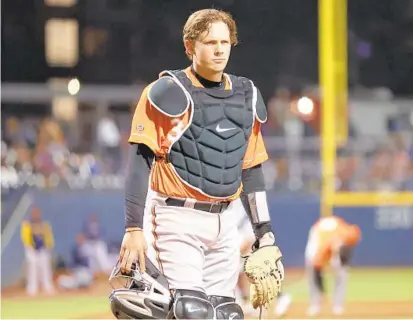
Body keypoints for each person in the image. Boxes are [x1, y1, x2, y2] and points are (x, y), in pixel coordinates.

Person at [114, 8, 284, 319]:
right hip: (175, 216)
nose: (219, 49)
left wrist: (265, 233)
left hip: (225, 219)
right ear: (190, 46)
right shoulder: (165, 92)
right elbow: (139, 162)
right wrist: (133, 227)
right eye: (210, 42)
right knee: (192, 311)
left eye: (225, 42)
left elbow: (251, 169)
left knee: (228, 313)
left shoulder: (247, 95)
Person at [305, 216, 361, 316]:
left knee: (342, 273)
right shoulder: (319, 243)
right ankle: (315, 303)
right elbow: (315, 262)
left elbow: (344, 249)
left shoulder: (343, 230)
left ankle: (337, 304)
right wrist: (321, 287)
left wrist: (339, 260)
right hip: (318, 246)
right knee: (313, 274)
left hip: (330, 243)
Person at [20, 207, 55, 296]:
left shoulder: (43, 224)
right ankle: (32, 289)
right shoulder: (27, 224)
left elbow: (48, 236)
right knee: (32, 270)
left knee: (45, 269)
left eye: (37, 213)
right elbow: (25, 237)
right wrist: (28, 247)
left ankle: (47, 287)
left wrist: (49, 246)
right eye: (34, 213)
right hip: (32, 249)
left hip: (42, 249)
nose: (36, 215)